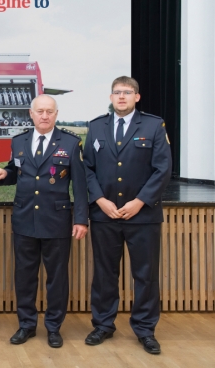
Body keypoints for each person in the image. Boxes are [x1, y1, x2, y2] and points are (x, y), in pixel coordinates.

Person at [83, 76, 172, 355]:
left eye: (127, 92)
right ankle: (103, 325)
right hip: (104, 215)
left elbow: (163, 169)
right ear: (111, 97)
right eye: (117, 92)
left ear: (137, 97)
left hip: (142, 216)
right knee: (104, 274)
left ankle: (145, 330)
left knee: (145, 275)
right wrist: (99, 199)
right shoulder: (96, 126)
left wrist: (140, 202)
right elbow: (87, 168)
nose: (121, 97)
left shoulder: (153, 125)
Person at [0, 95, 88, 348]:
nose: (44, 116)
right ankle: (26, 325)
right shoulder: (19, 141)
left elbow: (80, 185)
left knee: (57, 278)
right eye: (40, 111)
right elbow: (17, 171)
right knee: (24, 277)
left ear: (56, 114)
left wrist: (81, 219)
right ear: (31, 113)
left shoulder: (70, 143)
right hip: (25, 219)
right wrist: (5, 174)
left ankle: (54, 327)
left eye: (49, 111)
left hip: (56, 221)